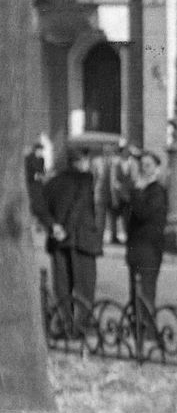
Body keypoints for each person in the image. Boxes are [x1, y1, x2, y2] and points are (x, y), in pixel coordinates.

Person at [38, 142, 103, 338]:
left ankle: (63, 327)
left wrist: (53, 227)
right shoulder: (85, 179)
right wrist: (65, 229)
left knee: (62, 287)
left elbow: (41, 206)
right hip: (81, 239)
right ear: (82, 160)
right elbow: (79, 205)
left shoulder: (53, 181)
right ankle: (80, 328)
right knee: (84, 288)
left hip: (58, 242)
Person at [125, 151, 169, 347]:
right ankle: (138, 330)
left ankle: (149, 334)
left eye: (148, 165)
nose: (144, 169)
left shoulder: (156, 191)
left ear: (157, 169)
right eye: (142, 165)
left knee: (146, 292)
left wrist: (136, 192)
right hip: (136, 248)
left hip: (149, 250)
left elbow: (143, 214)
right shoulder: (140, 190)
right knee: (135, 291)